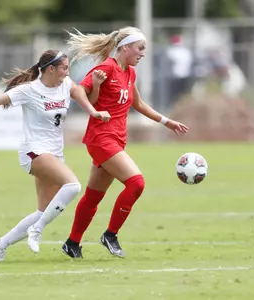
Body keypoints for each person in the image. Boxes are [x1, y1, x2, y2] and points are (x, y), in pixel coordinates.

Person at [0, 49, 111, 261]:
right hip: (35, 151)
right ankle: (37, 230)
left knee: (42, 212)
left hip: (55, 153)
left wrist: (94, 104)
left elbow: (87, 101)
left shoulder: (66, 85)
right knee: (73, 186)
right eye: (64, 68)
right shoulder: (29, 90)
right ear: (51, 69)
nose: (68, 72)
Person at [61, 27, 189, 258]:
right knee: (136, 183)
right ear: (125, 47)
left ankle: (72, 243)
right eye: (140, 48)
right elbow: (79, 91)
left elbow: (138, 105)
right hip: (101, 139)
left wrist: (166, 121)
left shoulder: (129, 72)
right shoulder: (106, 68)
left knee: (94, 196)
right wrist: (94, 107)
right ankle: (110, 235)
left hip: (117, 140)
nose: (142, 53)